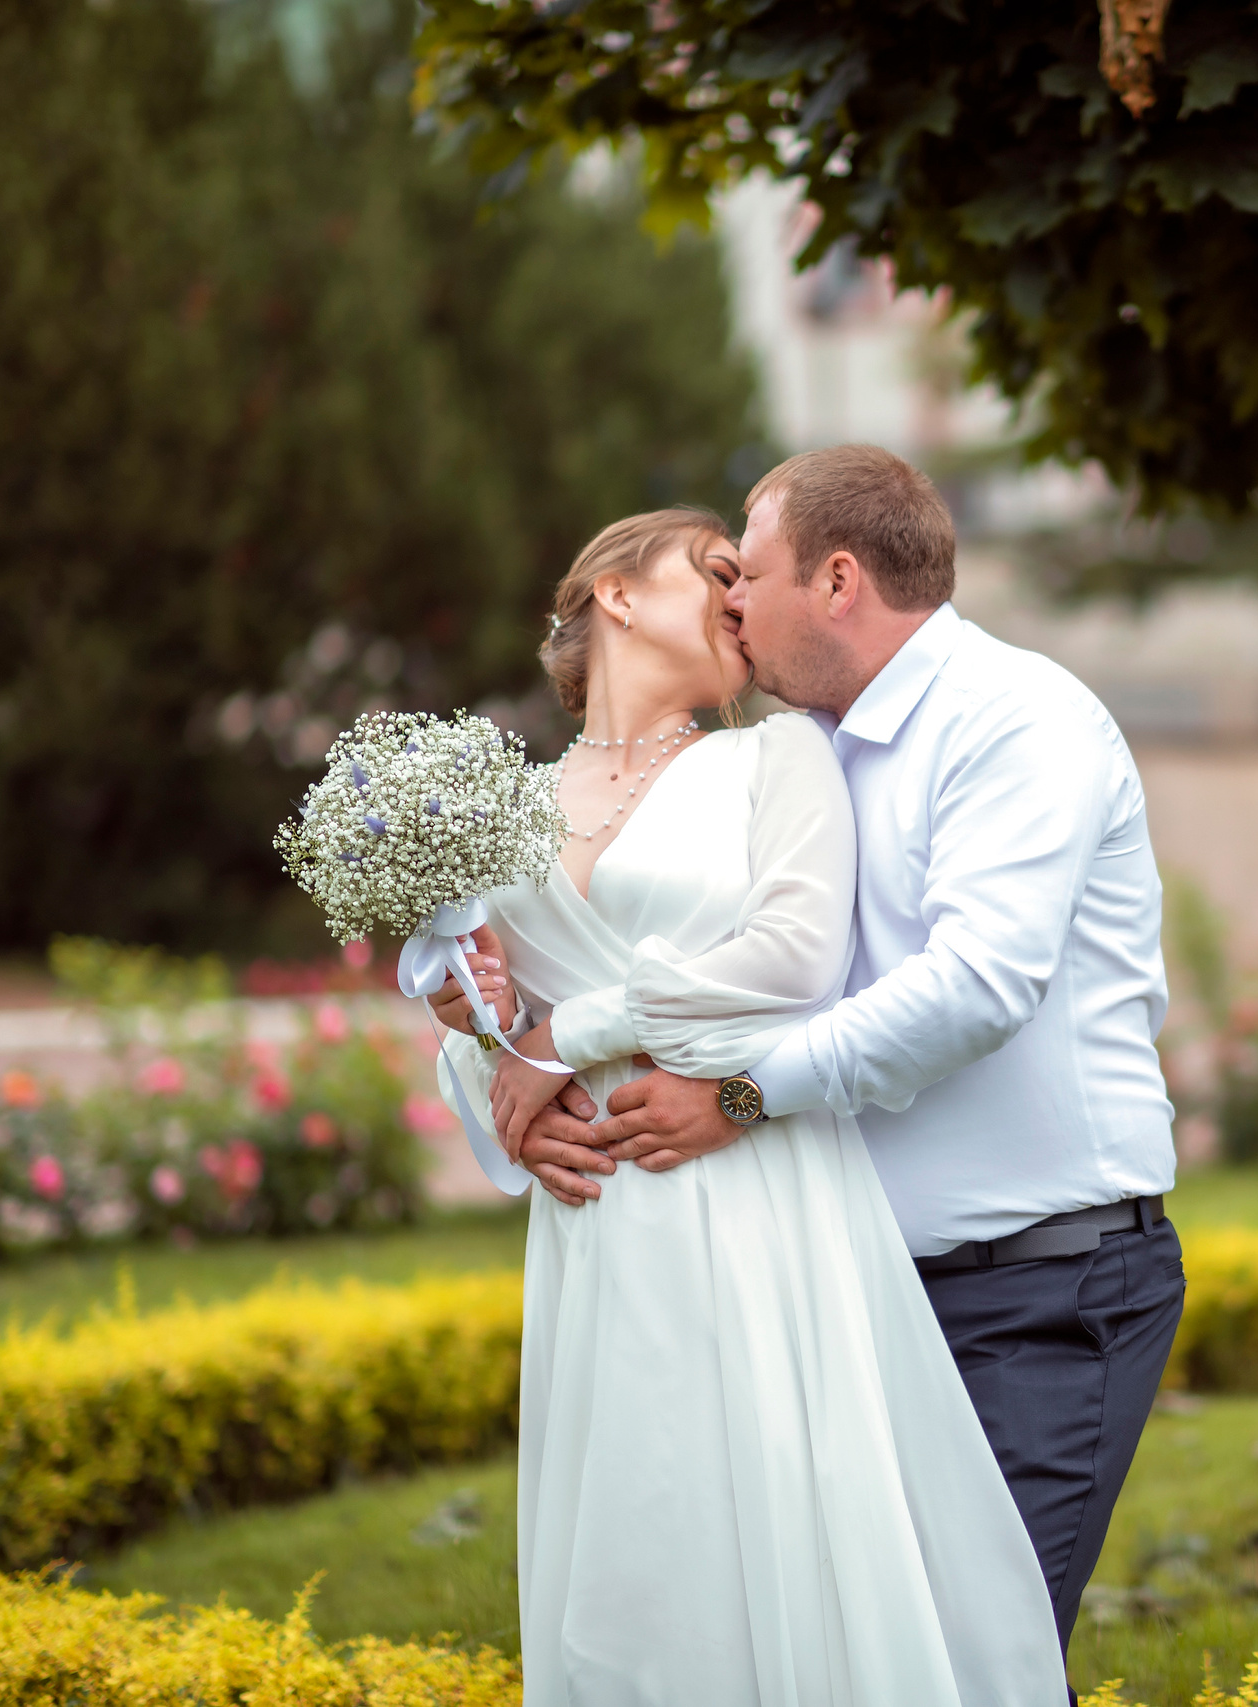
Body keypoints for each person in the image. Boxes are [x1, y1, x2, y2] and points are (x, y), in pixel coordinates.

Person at [516, 445, 1188, 1656]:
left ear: (834, 583)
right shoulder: (800, 749)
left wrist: (739, 1093)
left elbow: (978, 986)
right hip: (843, 1283)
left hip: (1035, 1279)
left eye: (747, 576)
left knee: (975, 1660)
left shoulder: (1015, 718)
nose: (729, 605)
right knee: (844, 1655)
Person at [427, 506, 1066, 1707]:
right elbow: (485, 1022)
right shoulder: (499, 804)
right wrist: (492, 1058)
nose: (735, 602)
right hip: (596, 1220)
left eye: (746, 583)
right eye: (715, 574)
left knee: (764, 1511)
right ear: (615, 592)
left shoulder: (777, 756)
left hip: (750, 1181)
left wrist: (574, 1031)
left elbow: (794, 958)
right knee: (630, 1536)